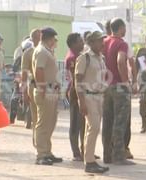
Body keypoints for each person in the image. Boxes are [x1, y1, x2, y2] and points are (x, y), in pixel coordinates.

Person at [102, 18, 135, 165]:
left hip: (105, 86)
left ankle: (107, 154)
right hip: (119, 86)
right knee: (120, 122)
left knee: (107, 121)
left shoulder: (104, 42)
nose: (125, 30)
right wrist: (125, 81)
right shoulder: (122, 43)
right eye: (124, 28)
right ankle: (119, 156)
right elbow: (121, 61)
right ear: (120, 28)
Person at [75, 31, 109, 173]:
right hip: (88, 97)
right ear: (92, 42)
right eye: (100, 41)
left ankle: (90, 159)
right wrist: (81, 101)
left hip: (99, 97)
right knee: (93, 128)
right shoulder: (84, 58)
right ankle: (89, 162)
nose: (102, 43)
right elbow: (78, 81)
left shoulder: (101, 58)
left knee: (93, 129)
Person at [32, 27, 62, 165]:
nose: (55, 42)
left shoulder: (47, 51)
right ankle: (41, 154)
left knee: (50, 123)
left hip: (51, 90)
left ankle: (47, 151)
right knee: (43, 123)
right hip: (45, 90)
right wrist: (42, 88)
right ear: (49, 39)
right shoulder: (42, 51)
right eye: (54, 39)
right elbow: (39, 70)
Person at [65, 33, 86, 161]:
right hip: (75, 92)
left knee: (83, 123)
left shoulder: (79, 56)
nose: (82, 43)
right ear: (73, 44)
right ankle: (76, 152)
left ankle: (85, 149)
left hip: (81, 91)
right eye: (80, 41)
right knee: (75, 123)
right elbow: (75, 78)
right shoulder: (73, 58)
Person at [21, 29, 41, 132]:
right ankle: (37, 139)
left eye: (41, 36)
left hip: (47, 86)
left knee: (45, 116)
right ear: (32, 39)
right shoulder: (28, 53)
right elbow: (24, 73)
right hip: (34, 85)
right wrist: (23, 91)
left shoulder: (48, 51)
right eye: (37, 37)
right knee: (36, 115)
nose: (39, 38)